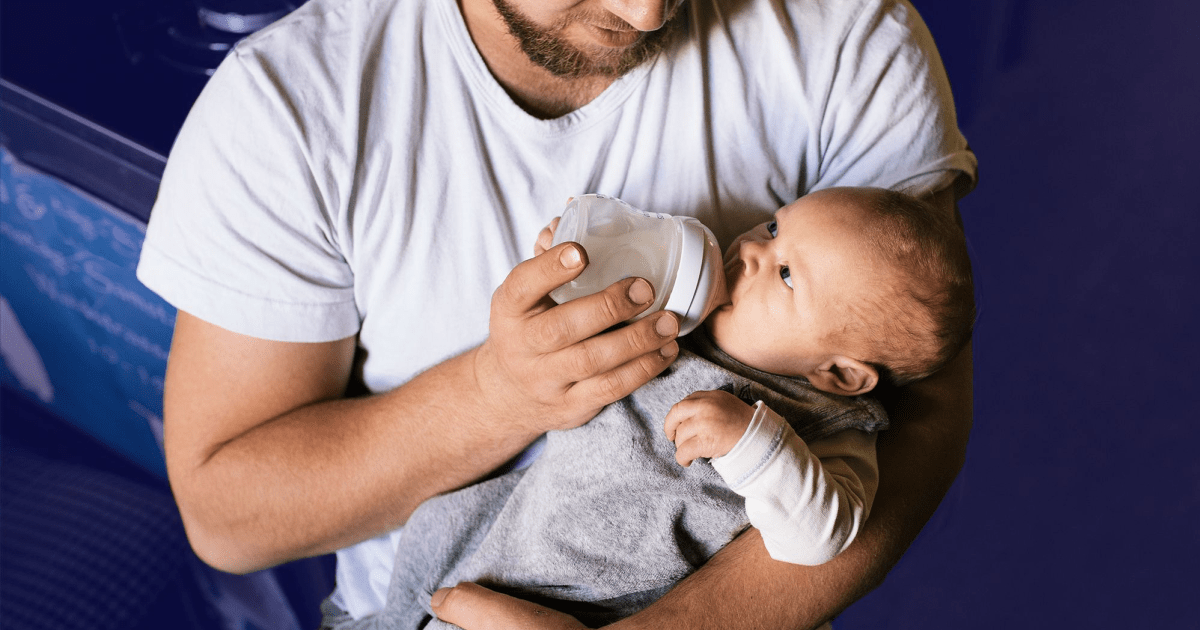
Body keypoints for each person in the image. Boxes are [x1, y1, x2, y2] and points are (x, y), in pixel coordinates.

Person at [136, 0, 978, 627]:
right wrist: (499, 395)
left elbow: (919, 407)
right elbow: (227, 514)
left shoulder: (847, 35)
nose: (647, 13)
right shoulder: (288, 109)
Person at [359, 186, 974, 630]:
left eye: (787, 274)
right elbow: (584, 343)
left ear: (837, 373)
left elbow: (824, 536)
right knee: (433, 535)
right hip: (515, 535)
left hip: (600, 602)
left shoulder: (831, 427)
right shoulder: (684, 319)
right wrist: (575, 268)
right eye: (772, 228)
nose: (752, 250)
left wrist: (754, 444)